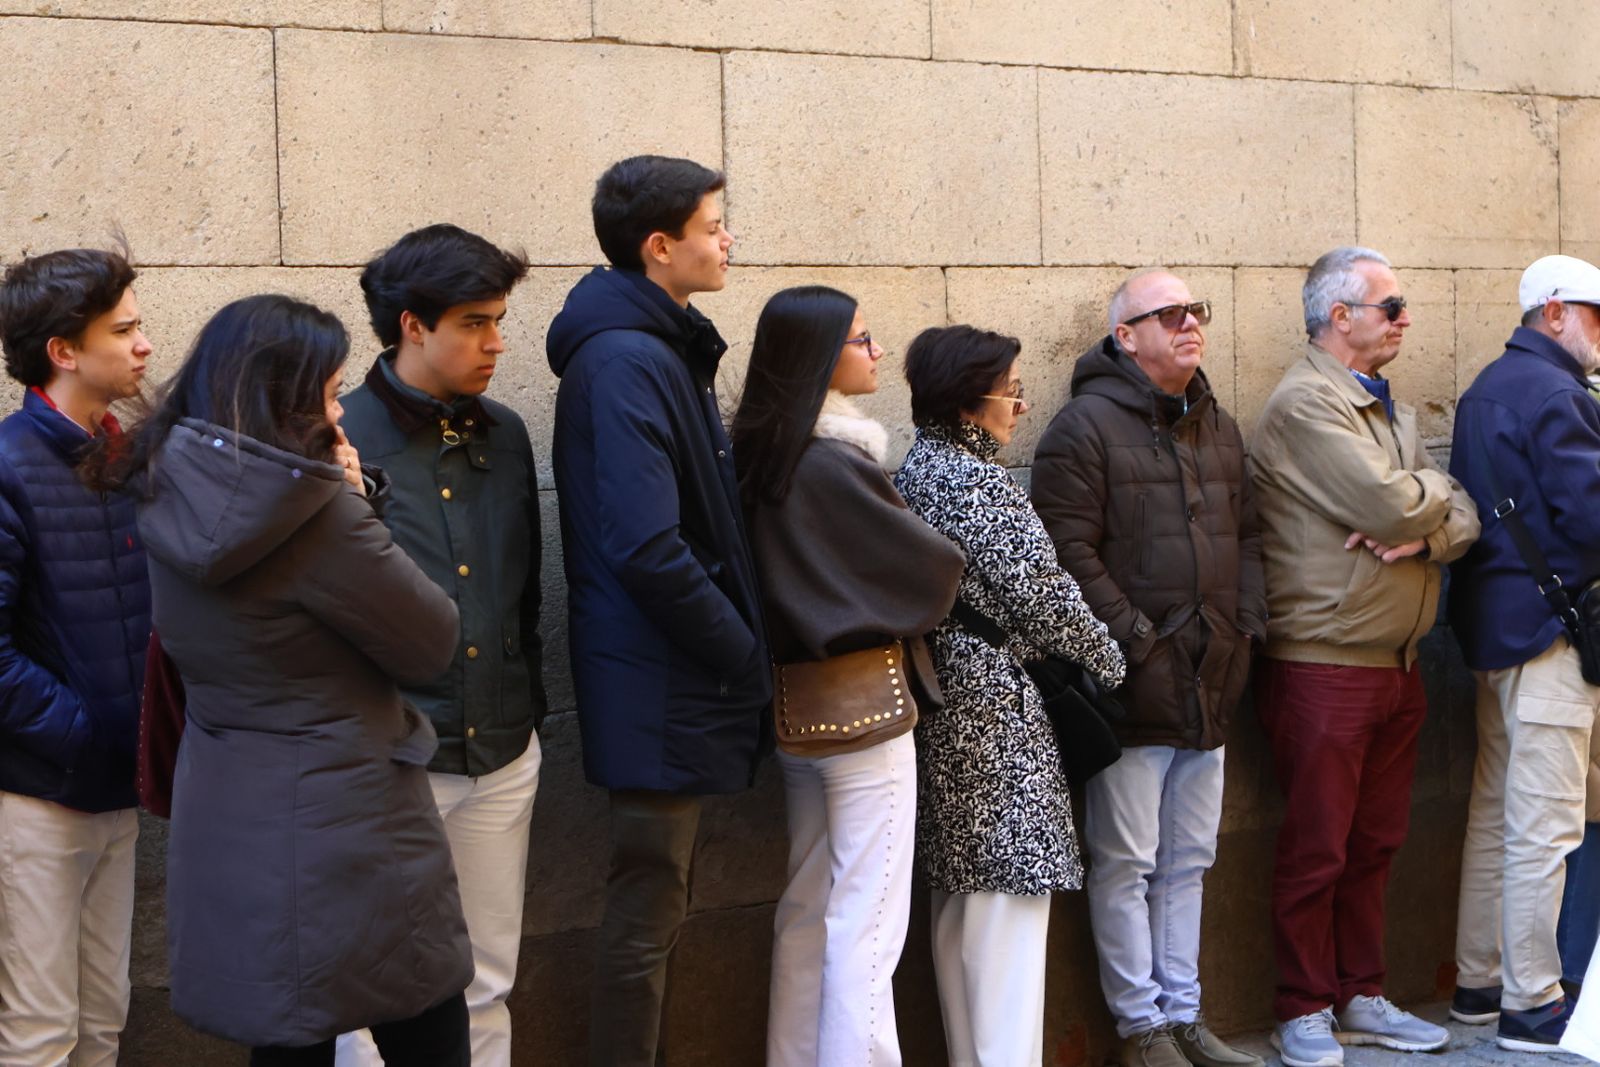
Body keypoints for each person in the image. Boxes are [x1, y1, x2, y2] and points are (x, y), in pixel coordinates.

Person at [89, 294, 472, 1066]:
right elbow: (432, 641)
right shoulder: (318, 512)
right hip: (349, 822)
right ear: (283, 399)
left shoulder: (170, 484)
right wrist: (362, 504)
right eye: (330, 394)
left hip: (234, 803)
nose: (340, 414)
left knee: (288, 1031)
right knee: (428, 1025)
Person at [545, 154, 771, 1066]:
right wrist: (744, 655)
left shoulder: (658, 347)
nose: (728, 240)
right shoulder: (628, 360)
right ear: (658, 245)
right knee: (645, 919)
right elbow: (647, 546)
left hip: (669, 676)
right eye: (715, 226)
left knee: (658, 914)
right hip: (660, 680)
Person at [1249, 246, 1479, 1067]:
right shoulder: (1308, 404)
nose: (1406, 317)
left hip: (1397, 662)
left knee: (1376, 840)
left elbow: (1460, 513)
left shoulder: (1385, 405)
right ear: (1338, 315)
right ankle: (1302, 1005)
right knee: (1318, 845)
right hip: (1326, 662)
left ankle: (1361, 991)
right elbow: (1388, 500)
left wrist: (1428, 521)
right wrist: (1428, 506)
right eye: (1392, 304)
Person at [1030, 268, 1265, 1067]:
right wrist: (1136, 640)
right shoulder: (1084, 429)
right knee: (1127, 858)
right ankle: (1142, 1028)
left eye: (1195, 311)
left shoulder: (1218, 425)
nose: (1189, 325)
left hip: (1214, 676)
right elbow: (1066, 552)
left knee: (1190, 858)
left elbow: (1252, 537)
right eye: (1166, 315)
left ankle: (1186, 1015)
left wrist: (1246, 628)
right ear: (1124, 336)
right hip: (1134, 683)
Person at [730, 286, 964, 1066]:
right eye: (862, 338)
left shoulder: (765, 452)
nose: (875, 351)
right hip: (867, 704)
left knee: (808, 907)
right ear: (821, 357)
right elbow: (932, 568)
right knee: (866, 923)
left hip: (799, 704)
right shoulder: (832, 460)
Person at [335, 224, 546, 1067]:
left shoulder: (507, 432)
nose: (495, 342)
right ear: (412, 325)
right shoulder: (340, 435)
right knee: (363, 993)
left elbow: (524, 592)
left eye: (499, 319)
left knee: (487, 977)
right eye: (473, 322)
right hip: (391, 760)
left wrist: (524, 715)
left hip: (500, 748)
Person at [893, 324, 1126, 1067]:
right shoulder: (977, 482)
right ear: (969, 400)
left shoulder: (917, 469)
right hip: (996, 708)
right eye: (1011, 389)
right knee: (1009, 909)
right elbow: (1044, 593)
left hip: (949, 699)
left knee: (964, 905)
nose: (1019, 405)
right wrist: (1110, 657)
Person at [0, 245, 152, 1066]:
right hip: (37, 800)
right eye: (123, 328)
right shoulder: (8, 463)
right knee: (41, 1030)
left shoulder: (126, 457)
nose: (144, 345)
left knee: (103, 1020)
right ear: (63, 350)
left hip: (114, 792)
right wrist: (88, 731)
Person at [1448, 253, 1600, 1053]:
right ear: (1553, 312)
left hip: (1492, 630)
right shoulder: (1557, 393)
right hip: (1550, 634)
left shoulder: (1485, 386)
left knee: (1496, 815)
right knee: (1545, 825)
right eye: (1594, 314)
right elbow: (1592, 518)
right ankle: (1532, 1001)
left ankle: (1478, 983)